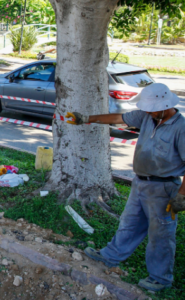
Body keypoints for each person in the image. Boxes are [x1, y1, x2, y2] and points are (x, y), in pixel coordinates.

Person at [66, 83, 185, 292]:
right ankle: (110, 257)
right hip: (140, 183)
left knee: (161, 234)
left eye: (152, 108)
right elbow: (118, 118)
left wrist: (181, 197)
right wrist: (86, 119)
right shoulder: (148, 117)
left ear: (166, 105)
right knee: (129, 222)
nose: (148, 111)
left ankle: (160, 278)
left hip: (163, 189)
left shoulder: (180, 129)